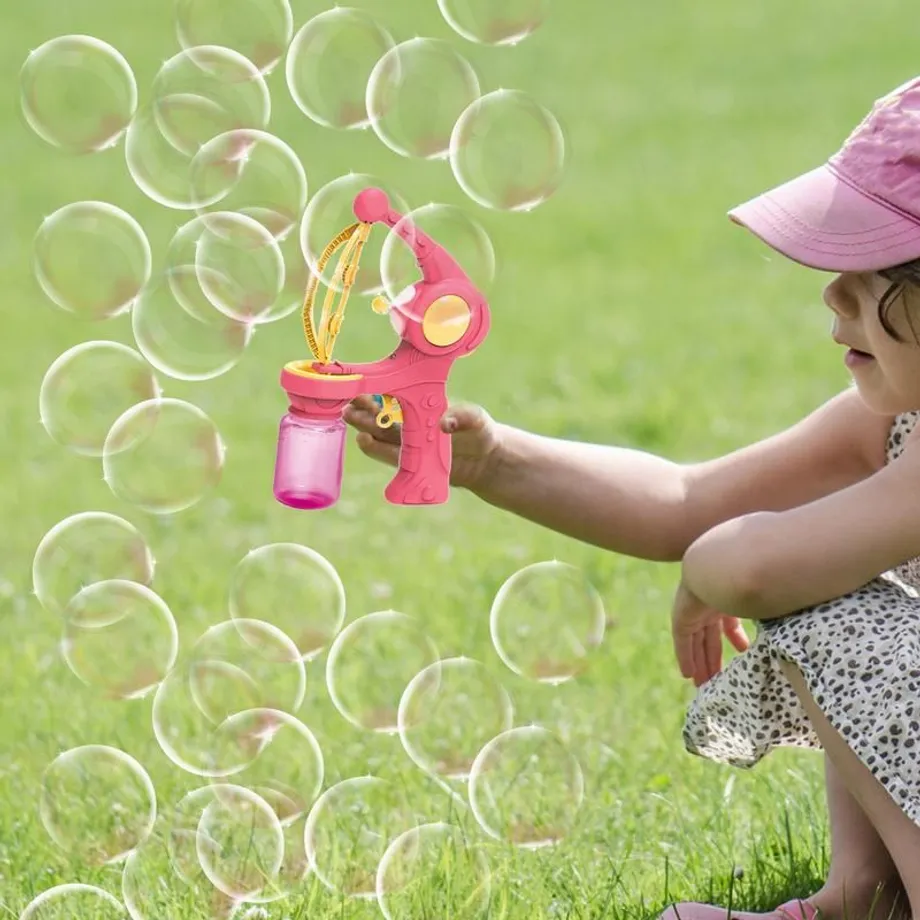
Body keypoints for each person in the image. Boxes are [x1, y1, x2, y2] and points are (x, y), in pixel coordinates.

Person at [344, 74, 920, 920]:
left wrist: (703, 579)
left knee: (829, 603)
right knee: (831, 588)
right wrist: (494, 459)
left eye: (865, 273)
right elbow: (687, 500)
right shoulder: (897, 419)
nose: (831, 294)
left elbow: (747, 564)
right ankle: (861, 898)